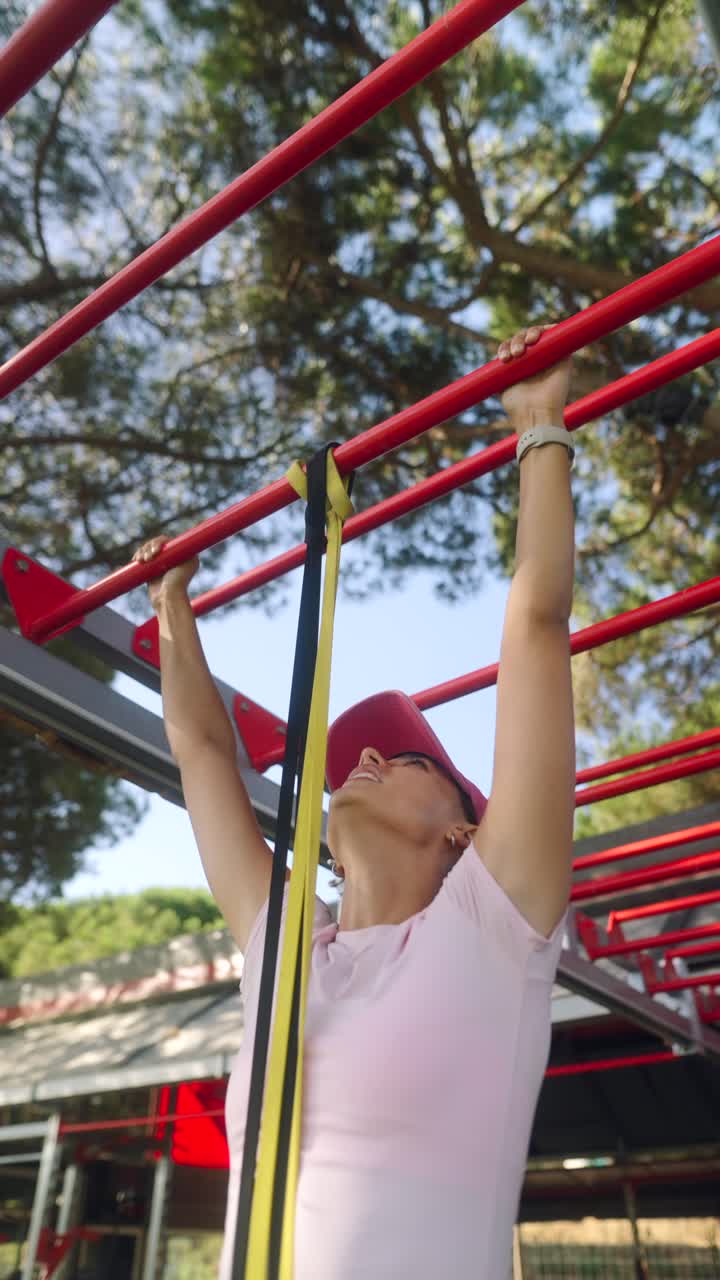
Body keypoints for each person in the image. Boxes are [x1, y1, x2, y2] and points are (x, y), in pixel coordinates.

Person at [134, 325, 577, 1279]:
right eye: (360, 753)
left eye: (406, 756)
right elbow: (202, 749)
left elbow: (536, 628)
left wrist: (540, 422)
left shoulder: (495, 925)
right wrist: (172, 604)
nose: (366, 755)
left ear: (468, 827)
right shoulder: (293, 946)